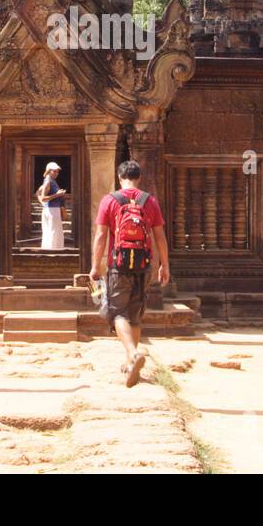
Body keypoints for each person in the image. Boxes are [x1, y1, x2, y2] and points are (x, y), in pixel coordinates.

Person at [91, 160, 170, 388]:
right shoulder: (149, 201)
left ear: (119, 177)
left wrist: (96, 266)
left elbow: (101, 236)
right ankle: (129, 363)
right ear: (139, 178)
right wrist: (164, 265)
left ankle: (133, 354)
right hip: (144, 264)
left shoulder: (110, 200)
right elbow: (160, 236)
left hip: (119, 264)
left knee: (117, 314)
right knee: (135, 313)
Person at [38, 161, 67, 251]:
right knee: (53, 232)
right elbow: (42, 197)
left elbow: (38, 193)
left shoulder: (50, 181)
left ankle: (52, 252)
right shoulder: (48, 181)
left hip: (52, 209)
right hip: (52, 210)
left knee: (53, 231)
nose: (56, 173)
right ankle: (52, 252)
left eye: (57, 171)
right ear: (49, 171)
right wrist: (57, 195)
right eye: (54, 171)